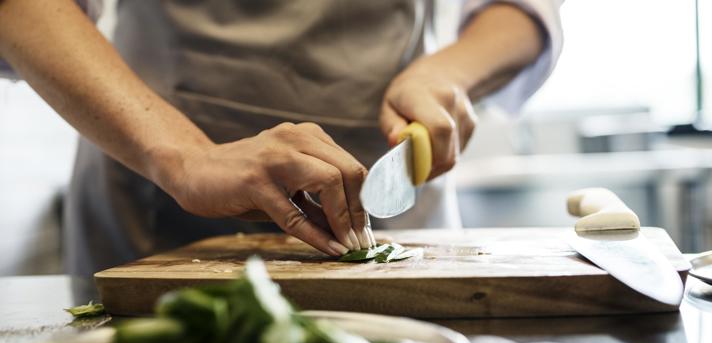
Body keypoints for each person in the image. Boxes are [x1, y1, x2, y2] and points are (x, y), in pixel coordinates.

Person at [0, 0, 563, 281]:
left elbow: (522, 9)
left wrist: (446, 75)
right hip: (154, 193)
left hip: (391, 190)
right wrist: (184, 155)